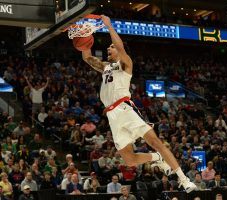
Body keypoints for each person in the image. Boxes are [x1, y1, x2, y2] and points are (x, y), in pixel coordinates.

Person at [81, 14, 196, 193]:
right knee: (129, 160)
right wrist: (83, 37)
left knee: (155, 141)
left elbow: (119, 45)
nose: (109, 49)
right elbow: (87, 57)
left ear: (120, 51)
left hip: (125, 108)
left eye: (111, 47)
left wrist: (108, 25)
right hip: (112, 115)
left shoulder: (126, 64)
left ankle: (183, 179)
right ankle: (156, 157)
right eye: (108, 47)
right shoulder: (106, 67)